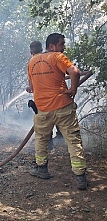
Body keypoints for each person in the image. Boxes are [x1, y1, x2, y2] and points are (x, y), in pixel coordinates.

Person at [27, 33, 88, 190]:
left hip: (42, 110)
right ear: (52, 46)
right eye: (61, 44)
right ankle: (80, 178)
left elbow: (32, 87)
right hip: (63, 108)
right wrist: (73, 88)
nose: (64, 47)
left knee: (41, 139)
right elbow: (74, 72)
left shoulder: (32, 61)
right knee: (73, 141)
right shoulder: (57, 57)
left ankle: (42, 170)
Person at [27, 41, 63, 149]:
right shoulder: (49, 58)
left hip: (42, 100)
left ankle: (49, 143)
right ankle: (61, 137)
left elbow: (32, 86)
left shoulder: (31, 63)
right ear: (41, 50)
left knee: (45, 122)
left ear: (30, 52)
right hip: (56, 97)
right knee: (59, 116)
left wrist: (30, 88)